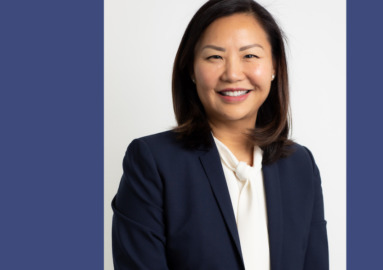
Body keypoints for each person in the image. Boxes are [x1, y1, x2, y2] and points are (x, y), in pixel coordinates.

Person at [111, 0, 328, 269]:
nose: (233, 74)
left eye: (250, 55)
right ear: (191, 69)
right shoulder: (153, 162)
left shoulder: (300, 165)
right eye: (215, 56)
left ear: (274, 66)